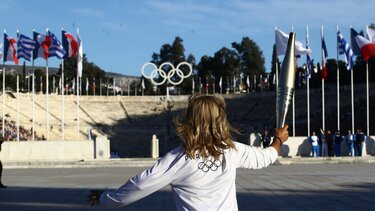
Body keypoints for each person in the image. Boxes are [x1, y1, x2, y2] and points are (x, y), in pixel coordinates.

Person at [88, 93, 289, 210]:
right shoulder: (232, 151)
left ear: (190, 121)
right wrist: (278, 140)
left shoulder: (178, 159)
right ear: (220, 121)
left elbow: (139, 186)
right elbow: (266, 157)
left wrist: (106, 198)